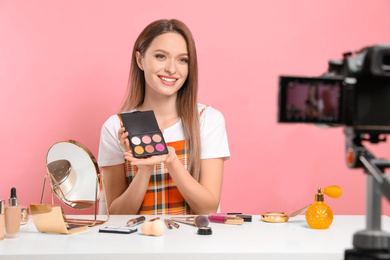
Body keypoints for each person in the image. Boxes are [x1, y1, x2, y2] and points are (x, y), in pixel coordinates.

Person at [98, 19, 230, 215]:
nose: (172, 69)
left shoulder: (207, 120)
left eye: (182, 59)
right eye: (161, 56)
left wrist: (171, 161)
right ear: (140, 60)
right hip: (135, 244)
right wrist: (145, 169)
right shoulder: (116, 127)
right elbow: (115, 215)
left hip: (194, 244)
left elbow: (208, 208)